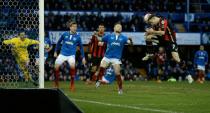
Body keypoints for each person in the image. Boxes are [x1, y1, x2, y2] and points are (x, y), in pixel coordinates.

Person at [95, 23, 133, 94]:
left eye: (120, 27)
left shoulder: (123, 37)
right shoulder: (109, 36)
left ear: (121, 29)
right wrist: (97, 35)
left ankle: (120, 89)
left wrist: (130, 40)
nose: (119, 27)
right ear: (114, 28)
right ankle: (99, 81)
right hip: (107, 57)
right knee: (102, 67)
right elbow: (100, 39)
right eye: (117, 26)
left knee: (117, 73)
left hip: (116, 58)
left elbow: (130, 43)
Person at [54, 21, 86, 91]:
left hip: (71, 55)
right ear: (70, 27)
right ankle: (56, 83)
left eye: (76, 27)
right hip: (62, 54)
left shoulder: (78, 37)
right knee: (56, 66)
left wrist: (83, 57)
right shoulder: (64, 34)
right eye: (73, 27)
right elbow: (58, 42)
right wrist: (55, 51)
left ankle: (72, 85)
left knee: (72, 66)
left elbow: (81, 47)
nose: (75, 28)